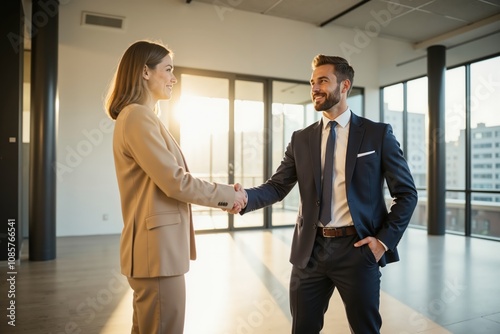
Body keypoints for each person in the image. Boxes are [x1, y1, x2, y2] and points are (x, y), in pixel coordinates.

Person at [231, 55, 417, 333]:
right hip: (310, 251)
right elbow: (278, 186)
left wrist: (382, 242)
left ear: (344, 86)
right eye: (312, 82)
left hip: (358, 250)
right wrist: (245, 197)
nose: (315, 88)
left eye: (323, 81)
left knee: (365, 329)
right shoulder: (301, 139)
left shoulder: (377, 134)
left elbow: (407, 194)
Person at [105, 40, 246, 334]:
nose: (173, 78)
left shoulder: (139, 117)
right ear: (145, 72)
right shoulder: (138, 116)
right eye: (168, 70)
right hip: (156, 254)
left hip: (154, 253)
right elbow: (175, 181)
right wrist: (228, 195)